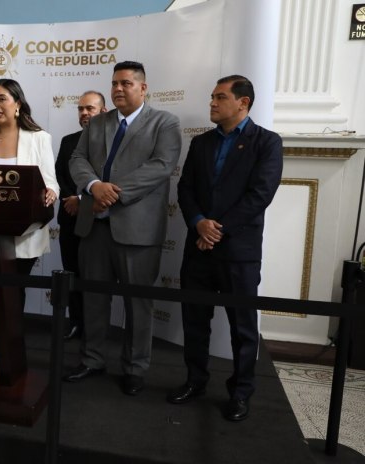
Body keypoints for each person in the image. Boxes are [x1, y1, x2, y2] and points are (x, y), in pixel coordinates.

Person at [167, 75, 283, 421]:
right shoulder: (201, 143)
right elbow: (185, 188)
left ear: (242, 103)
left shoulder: (267, 142)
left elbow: (260, 195)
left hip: (239, 253)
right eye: (212, 97)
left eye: (220, 97)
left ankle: (241, 393)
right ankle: (195, 380)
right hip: (198, 249)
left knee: (243, 329)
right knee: (195, 321)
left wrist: (217, 230)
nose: (212, 104)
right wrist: (199, 222)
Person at [66, 61, 182, 396]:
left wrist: (111, 193)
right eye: (114, 83)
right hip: (94, 227)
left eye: (126, 83)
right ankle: (92, 360)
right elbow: (78, 159)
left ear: (143, 88)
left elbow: (161, 167)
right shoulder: (98, 122)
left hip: (138, 230)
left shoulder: (165, 122)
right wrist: (93, 187)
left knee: (138, 305)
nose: (118, 89)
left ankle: (135, 368)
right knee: (94, 300)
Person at [0, 78, 59, 309]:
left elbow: (51, 182)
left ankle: (10, 343)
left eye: (2, 99)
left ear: (17, 103)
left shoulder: (38, 138)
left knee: (12, 293)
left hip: (22, 233)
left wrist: (50, 192)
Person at [55, 91, 107, 340]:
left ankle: (94, 329)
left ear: (103, 112)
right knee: (71, 274)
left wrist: (82, 200)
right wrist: (70, 199)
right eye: (80, 109)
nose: (84, 113)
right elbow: (58, 177)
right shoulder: (68, 141)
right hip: (69, 217)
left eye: (90, 109)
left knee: (94, 278)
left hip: (98, 221)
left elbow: (106, 182)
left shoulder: (112, 143)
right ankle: (75, 321)